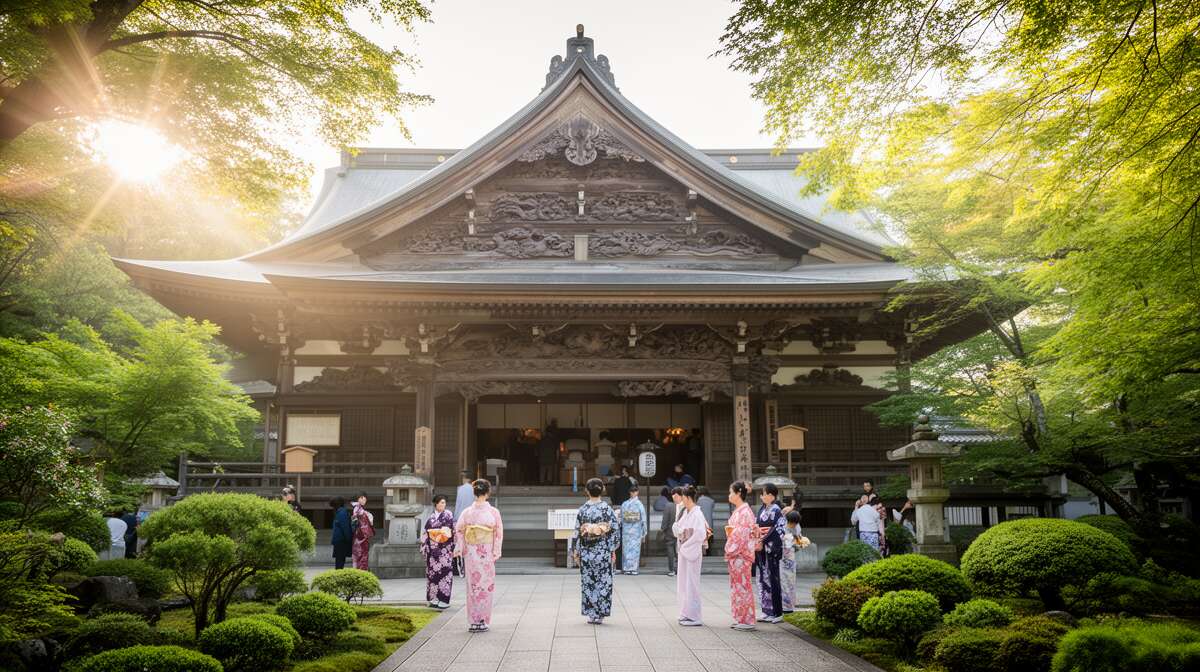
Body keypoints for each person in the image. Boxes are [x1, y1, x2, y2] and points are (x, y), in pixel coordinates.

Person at [454, 479, 504, 632]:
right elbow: (498, 533)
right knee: (485, 586)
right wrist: (495, 551)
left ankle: (473, 621)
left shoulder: (467, 512)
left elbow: (459, 530)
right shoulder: (493, 512)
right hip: (486, 553)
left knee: (473, 587)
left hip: (471, 554)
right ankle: (482, 620)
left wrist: (460, 548)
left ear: (474, 493)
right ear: (488, 493)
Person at [575, 478, 619, 624]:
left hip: (587, 551)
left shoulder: (583, 509)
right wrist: (612, 548)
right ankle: (600, 613)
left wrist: (576, 551)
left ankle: (592, 613)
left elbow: (577, 532)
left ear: (587, 491)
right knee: (603, 581)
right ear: (603, 490)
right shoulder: (607, 509)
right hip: (603, 551)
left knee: (589, 581)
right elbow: (615, 530)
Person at [724, 480, 758, 631]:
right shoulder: (740, 511)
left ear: (738, 493)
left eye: (731, 492)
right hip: (736, 553)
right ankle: (740, 617)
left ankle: (747, 619)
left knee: (743, 586)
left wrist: (731, 539)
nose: (729, 495)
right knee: (737, 586)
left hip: (741, 554)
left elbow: (743, 534)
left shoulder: (745, 512)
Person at [671, 484, 707, 626]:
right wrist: (679, 530)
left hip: (691, 550)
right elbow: (680, 528)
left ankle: (695, 616)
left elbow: (700, 534)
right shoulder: (686, 512)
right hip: (684, 549)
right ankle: (686, 612)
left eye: (683, 498)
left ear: (687, 498)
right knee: (683, 583)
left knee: (691, 583)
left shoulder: (697, 513)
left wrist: (685, 540)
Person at [755, 482, 785, 623]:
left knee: (773, 578)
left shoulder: (776, 510)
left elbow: (779, 529)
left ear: (772, 496)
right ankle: (766, 610)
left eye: (765, 493)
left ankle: (777, 612)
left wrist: (764, 540)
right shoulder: (762, 509)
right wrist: (757, 538)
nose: (762, 496)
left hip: (770, 547)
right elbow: (757, 525)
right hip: (761, 546)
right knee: (763, 578)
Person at [420, 495, 455, 609]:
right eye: (440, 503)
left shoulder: (448, 516)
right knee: (432, 575)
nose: (442, 505)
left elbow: (451, 532)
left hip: (444, 550)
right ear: (435, 504)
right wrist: (425, 544)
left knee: (445, 575)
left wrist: (440, 536)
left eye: (444, 503)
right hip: (432, 551)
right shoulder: (431, 518)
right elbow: (426, 533)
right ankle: (434, 598)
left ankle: (444, 599)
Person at [619, 482, 647, 575]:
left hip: (633, 530)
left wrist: (643, 531)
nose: (633, 493)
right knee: (629, 549)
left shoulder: (627, 504)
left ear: (637, 492)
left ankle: (631, 568)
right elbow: (643, 518)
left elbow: (642, 518)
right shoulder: (635, 504)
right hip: (632, 530)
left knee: (632, 549)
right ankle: (629, 568)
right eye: (632, 491)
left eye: (634, 491)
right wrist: (644, 531)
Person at [781, 509, 802, 613]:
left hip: (789, 558)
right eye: (793, 523)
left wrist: (799, 543)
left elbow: (799, 541)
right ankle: (785, 606)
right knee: (785, 581)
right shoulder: (784, 528)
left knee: (789, 581)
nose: (794, 525)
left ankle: (789, 605)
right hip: (784, 558)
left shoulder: (795, 528)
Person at [453, 471, 474, 577]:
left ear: (465, 478)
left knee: (460, 543)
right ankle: (470, 568)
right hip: (472, 519)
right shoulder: (473, 489)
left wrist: (455, 517)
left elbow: (458, 503)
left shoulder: (460, 489)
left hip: (461, 518)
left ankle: (460, 568)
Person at [659, 487, 680, 576]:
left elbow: (665, 520)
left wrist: (662, 529)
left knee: (670, 550)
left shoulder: (668, 506)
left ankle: (671, 569)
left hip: (670, 532)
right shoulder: (683, 506)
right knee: (679, 550)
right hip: (680, 532)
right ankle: (679, 569)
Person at [351, 492, 375, 570]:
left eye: (364, 498)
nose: (365, 500)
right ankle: (362, 572)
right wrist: (369, 516)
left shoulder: (358, 508)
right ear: (359, 498)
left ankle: (359, 570)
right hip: (362, 534)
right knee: (362, 554)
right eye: (362, 498)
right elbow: (360, 520)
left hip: (359, 534)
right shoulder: (358, 508)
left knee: (358, 554)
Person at [330, 497, 353, 570]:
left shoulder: (340, 512)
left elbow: (344, 526)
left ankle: (338, 575)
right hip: (341, 540)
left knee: (339, 561)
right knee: (340, 561)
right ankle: (338, 576)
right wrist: (349, 538)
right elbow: (345, 527)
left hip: (339, 540)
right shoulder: (342, 512)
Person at [538, 420, 561, 484]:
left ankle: (541, 481)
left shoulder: (542, 440)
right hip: (551, 458)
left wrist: (539, 456)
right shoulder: (554, 440)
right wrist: (557, 458)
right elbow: (557, 450)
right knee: (550, 470)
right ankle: (548, 482)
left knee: (542, 470)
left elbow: (538, 449)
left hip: (542, 458)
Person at [696, 486, 716, 556]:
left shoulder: (698, 501)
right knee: (709, 538)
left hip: (701, 522)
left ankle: (701, 552)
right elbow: (712, 508)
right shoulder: (711, 500)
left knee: (700, 538)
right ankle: (708, 552)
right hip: (709, 521)